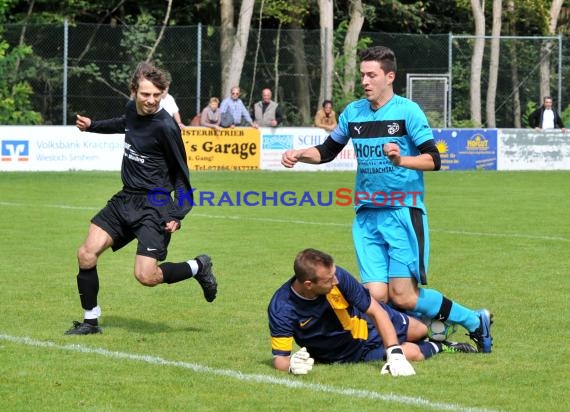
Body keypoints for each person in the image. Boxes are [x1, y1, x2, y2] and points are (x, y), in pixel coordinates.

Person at [280, 46, 493, 353]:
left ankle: (474, 320)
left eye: (372, 75)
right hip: (367, 215)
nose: (365, 81)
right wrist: (300, 155)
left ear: (389, 76)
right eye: (362, 75)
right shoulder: (353, 113)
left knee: (403, 295)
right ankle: (421, 331)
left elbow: (434, 159)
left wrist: (401, 160)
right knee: (376, 295)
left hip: (402, 212)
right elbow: (327, 151)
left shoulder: (408, 111)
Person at [66, 62, 218, 335]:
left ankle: (199, 266)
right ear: (134, 91)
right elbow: (126, 124)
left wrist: (177, 213)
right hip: (125, 199)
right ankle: (90, 321)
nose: (151, 100)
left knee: (146, 276)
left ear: (163, 94)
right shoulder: (131, 109)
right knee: (86, 253)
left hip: (155, 206)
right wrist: (93, 126)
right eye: (146, 94)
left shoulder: (166, 127)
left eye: (157, 95)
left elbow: (182, 175)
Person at [268, 249, 476, 375]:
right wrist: (290, 366)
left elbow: (376, 311)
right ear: (308, 284)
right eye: (328, 280)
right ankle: (443, 346)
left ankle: (430, 325)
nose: (336, 281)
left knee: (420, 330)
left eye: (334, 274)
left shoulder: (337, 276)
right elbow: (280, 359)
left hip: (367, 324)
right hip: (349, 355)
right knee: (412, 353)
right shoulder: (282, 308)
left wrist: (393, 354)